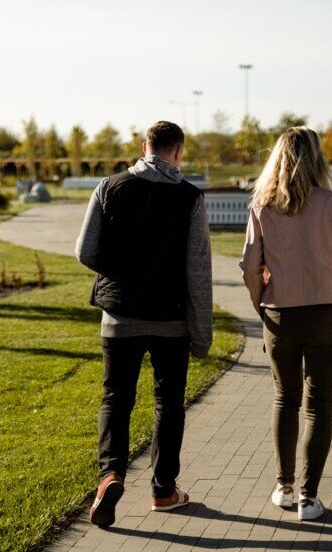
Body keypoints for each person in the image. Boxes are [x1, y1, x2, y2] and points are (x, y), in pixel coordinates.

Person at [75, 120, 212, 528]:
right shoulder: (191, 198)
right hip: (172, 319)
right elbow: (198, 271)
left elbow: (85, 250)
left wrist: (121, 272)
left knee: (116, 398)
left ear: (143, 146)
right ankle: (164, 490)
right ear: (178, 152)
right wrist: (202, 335)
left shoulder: (109, 187)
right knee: (168, 403)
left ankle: (110, 475)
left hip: (120, 317)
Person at [239, 126, 332, 522]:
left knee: (285, 398)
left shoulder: (262, 206)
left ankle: (284, 486)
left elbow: (250, 266)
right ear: (317, 159)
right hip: (327, 313)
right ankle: (309, 499)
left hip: (281, 313)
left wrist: (261, 305)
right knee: (319, 406)